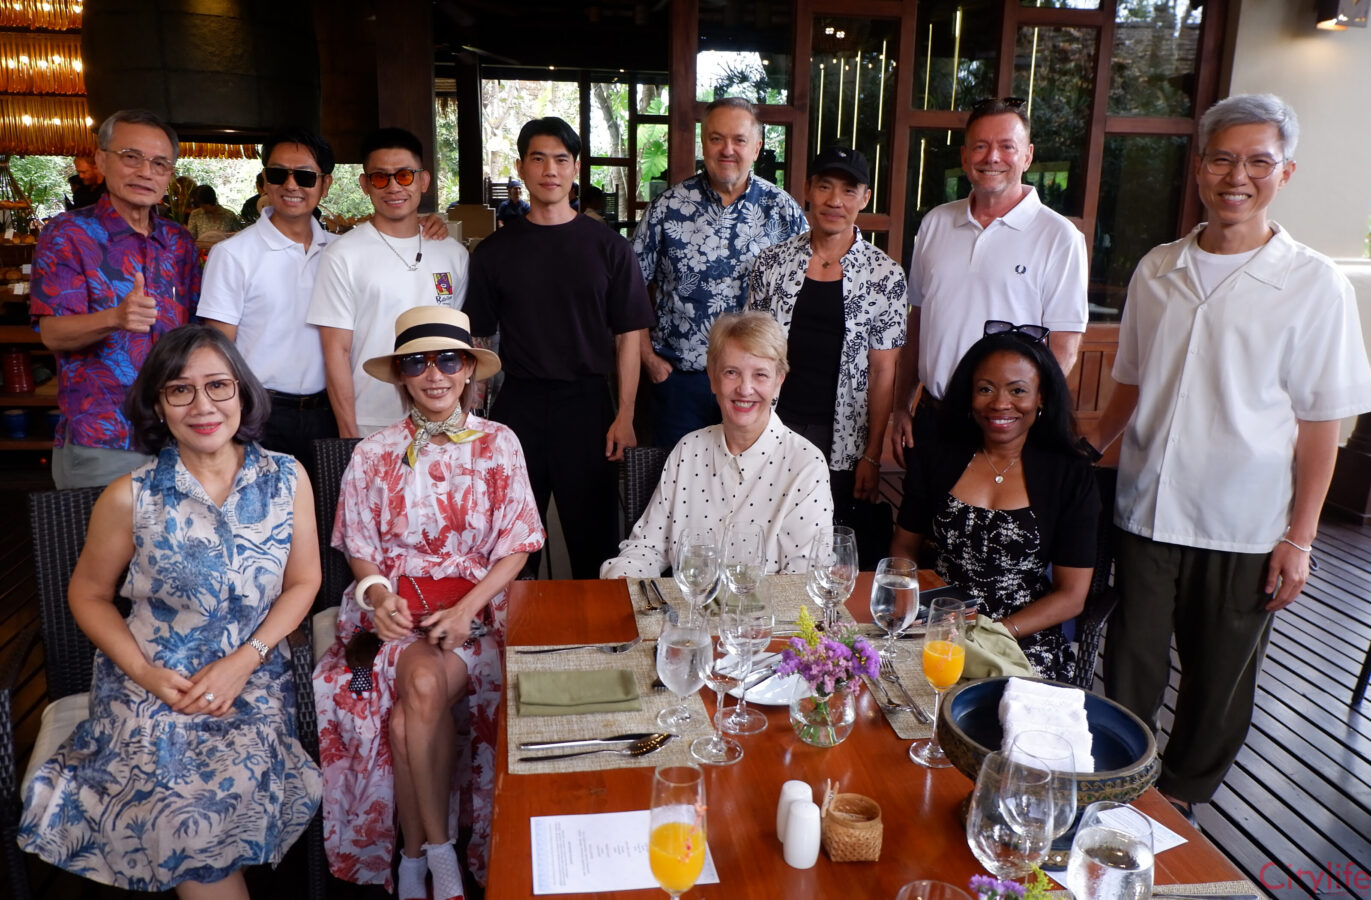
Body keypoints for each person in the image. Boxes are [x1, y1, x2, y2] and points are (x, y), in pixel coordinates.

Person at [1087, 93, 1371, 817]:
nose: (1236, 176)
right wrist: (1088, 448)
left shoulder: (1315, 285)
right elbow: (1131, 383)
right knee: (1129, 665)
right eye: (1221, 159)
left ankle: (1181, 802)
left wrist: (1299, 539)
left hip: (1244, 522)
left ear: (1285, 172)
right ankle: (1119, 794)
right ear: (1199, 166)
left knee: (1218, 682)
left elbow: (1320, 425)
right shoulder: (1158, 268)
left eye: (1257, 162)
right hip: (1146, 506)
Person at [18, 325, 323, 897]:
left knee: (207, 800)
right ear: (159, 404)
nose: (203, 405)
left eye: (218, 386)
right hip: (150, 683)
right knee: (175, 799)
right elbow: (87, 594)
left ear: (242, 392)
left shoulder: (287, 477)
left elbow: (305, 582)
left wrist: (245, 660)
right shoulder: (130, 496)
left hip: (252, 677)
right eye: (180, 390)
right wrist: (146, 674)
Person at [313, 306, 544, 899]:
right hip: (389, 620)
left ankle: (417, 855)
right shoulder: (373, 453)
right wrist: (377, 594)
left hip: (475, 615)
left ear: (468, 368)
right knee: (414, 690)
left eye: (448, 360)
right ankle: (438, 857)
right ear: (401, 375)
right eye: (417, 362)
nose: (434, 374)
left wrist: (467, 610)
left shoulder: (500, 443)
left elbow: (518, 547)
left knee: (408, 708)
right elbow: (359, 550)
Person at [465, 116, 652, 579]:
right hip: (519, 404)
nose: (550, 170)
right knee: (510, 541)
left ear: (575, 169)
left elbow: (629, 335)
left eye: (561, 160)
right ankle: (514, 623)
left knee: (594, 541)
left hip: (587, 405)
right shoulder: (494, 251)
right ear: (521, 168)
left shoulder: (610, 248)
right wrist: (468, 419)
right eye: (538, 159)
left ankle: (597, 624)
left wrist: (626, 414)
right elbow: (479, 341)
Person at [890, 328, 1098, 681]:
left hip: (1020, 636)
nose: (1000, 404)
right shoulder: (936, 456)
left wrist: (995, 634)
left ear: (1042, 397)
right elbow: (903, 549)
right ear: (969, 394)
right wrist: (913, 613)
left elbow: (1072, 595)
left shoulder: (1070, 475)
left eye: (1018, 390)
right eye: (985, 389)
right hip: (936, 624)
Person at [890, 96, 1088, 464]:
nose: (992, 157)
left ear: (1027, 155)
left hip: (1006, 428)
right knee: (918, 504)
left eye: (1006, 146)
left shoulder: (1059, 236)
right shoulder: (935, 223)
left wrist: (1026, 418)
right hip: (933, 417)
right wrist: (901, 405)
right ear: (965, 157)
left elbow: (1064, 346)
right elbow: (918, 323)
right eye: (980, 146)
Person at [748, 146, 905, 562]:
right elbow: (752, 351)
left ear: (865, 198)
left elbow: (883, 372)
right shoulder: (771, 263)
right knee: (762, 535)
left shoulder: (885, 275)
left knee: (824, 548)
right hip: (772, 425)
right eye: (825, 187)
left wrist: (872, 455)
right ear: (807, 190)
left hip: (842, 439)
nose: (835, 201)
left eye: (848, 191)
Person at [31, 108, 200, 489]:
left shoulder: (178, 242)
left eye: (159, 163)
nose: (146, 172)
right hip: (104, 437)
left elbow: (196, 331)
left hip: (179, 433)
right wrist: (115, 317)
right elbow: (53, 334)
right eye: (131, 157)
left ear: (169, 175)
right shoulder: (68, 234)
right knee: (102, 531)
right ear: (102, 160)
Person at [633, 97, 809, 449]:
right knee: (680, 480)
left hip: (753, 385)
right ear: (704, 143)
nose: (727, 149)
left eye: (739, 140)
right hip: (680, 383)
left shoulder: (783, 211)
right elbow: (629, 290)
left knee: (750, 481)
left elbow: (807, 291)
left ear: (756, 147)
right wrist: (649, 360)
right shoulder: (668, 208)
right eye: (716, 139)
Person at [602, 312, 833, 578]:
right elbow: (647, 547)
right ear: (712, 378)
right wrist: (621, 577)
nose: (745, 389)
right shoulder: (688, 450)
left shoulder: (806, 466)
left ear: (778, 381)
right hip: (686, 605)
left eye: (760, 375)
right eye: (731, 372)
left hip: (766, 607)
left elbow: (804, 581)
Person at [308, 126, 469, 438]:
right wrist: (349, 431)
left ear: (423, 180)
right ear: (365, 185)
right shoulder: (342, 255)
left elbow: (458, 345)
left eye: (405, 176)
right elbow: (336, 352)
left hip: (442, 420)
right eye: (381, 177)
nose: (394, 186)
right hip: (371, 420)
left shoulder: (453, 254)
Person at [200, 128, 342, 462]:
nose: (291, 185)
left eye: (305, 176)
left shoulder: (341, 253)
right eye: (278, 174)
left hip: (329, 412)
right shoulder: (232, 254)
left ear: (325, 184)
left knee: (326, 497)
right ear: (264, 180)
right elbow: (218, 350)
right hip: (260, 412)